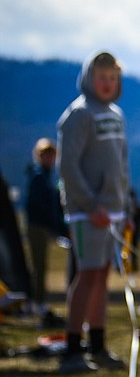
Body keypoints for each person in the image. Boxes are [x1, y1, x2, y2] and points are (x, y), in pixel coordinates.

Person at [57, 50, 131, 373]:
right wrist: (90, 205)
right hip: (88, 213)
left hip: (112, 212)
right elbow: (68, 166)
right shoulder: (79, 115)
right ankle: (72, 349)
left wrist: (123, 207)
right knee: (86, 276)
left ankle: (98, 346)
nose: (107, 84)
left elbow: (122, 165)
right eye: (101, 78)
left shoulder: (116, 114)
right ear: (89, 79)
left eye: (112, 78)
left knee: (102, 276)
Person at [24, 138, 68, 328]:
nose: (50, 158)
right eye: (46, 155)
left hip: (44, 226)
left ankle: (38, 301)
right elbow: (36, 204)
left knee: (42, 265)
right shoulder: (38, 176)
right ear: (39, 156)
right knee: (38, 265)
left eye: (52, 155)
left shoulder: (47, 176)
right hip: (37, 226)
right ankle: (36, 302)